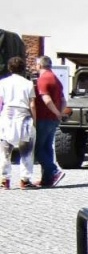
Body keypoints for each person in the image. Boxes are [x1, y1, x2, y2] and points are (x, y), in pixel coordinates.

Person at [0, 56, 37, 190]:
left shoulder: (3, 83)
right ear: (22, 68)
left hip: (7, 117)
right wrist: (35, 120)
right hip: (24, 117)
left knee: (5, 151)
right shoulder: (28, 84)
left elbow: (0, 102)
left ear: (9, 68)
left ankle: (4, 179)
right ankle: (24, 180)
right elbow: (32, 104)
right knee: (26, 151)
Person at [32, 55, 66, 187]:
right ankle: (47, 180)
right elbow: (63, 100)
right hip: (53, 120)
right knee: (47, 148)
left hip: (44, 118)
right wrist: (60, 113)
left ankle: (54, 170)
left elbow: (46, 99)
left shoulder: (43, 79)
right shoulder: (56, 79)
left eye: (36, 65)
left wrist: (56, 112)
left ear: (40, 65)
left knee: (38, 149)